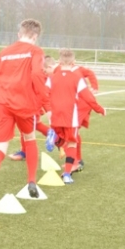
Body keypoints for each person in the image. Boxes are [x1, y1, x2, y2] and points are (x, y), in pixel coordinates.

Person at [0, 19, 48, 208]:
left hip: (3, 103)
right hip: (24, 104)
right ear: (35, 36)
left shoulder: (4, 52)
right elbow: (37, 75)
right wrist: (45, 100)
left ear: (19, 34)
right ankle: (31, 181)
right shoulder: (36, 51)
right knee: (30, 139)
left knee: (0, 148)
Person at [46, 49, 105, 184]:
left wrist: (47, 109)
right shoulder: (77, 78)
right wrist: (100, 109)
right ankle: (67, 174)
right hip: (71, 116)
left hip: (56, 115)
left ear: (59, 62)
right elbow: (88, 97)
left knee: (62, 139)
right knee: (72, 142)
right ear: (74, 62)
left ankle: (56, 139)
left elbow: (43, 94)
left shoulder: (52, 77)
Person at [9, 56, 56, 161]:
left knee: (27, 127)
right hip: (31, 103)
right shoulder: (40, 74)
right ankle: (54, 137)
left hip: (32, 105)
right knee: (31, 126)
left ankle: (25, 151)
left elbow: (42, 93)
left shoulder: (42, 76)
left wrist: (44, 109)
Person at [71, 62, 99, 172]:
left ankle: (77, 161)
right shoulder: (59, 70)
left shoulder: (76, 69)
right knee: (72, 131)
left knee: (72, 130)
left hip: (83, 103)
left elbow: (90, 73)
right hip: (74, 104)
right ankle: (75, 159)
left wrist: (94, 87)